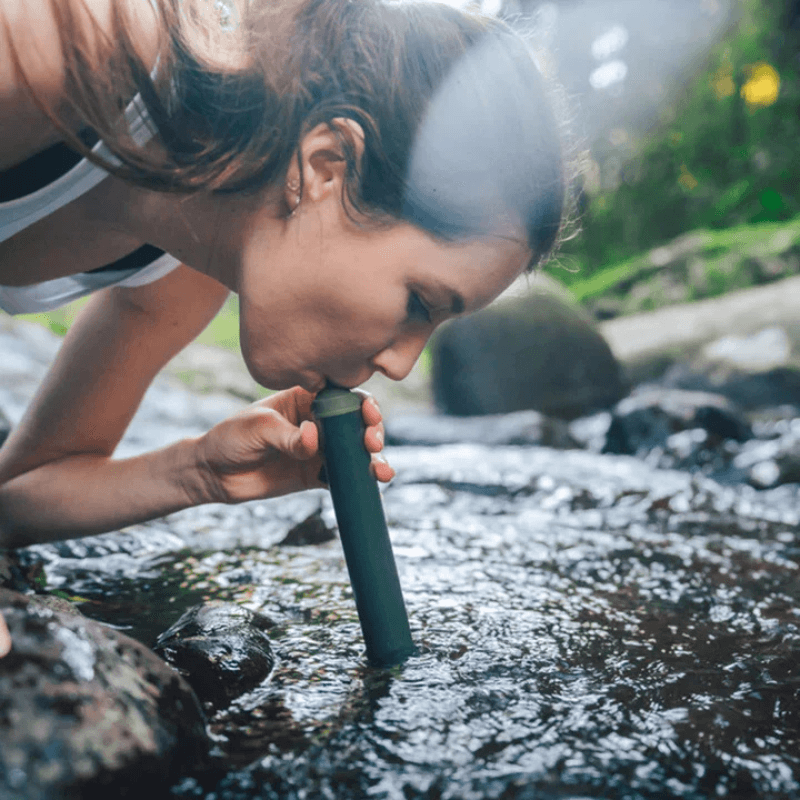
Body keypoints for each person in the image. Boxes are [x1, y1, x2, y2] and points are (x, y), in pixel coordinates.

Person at [0, 0, 568, 656]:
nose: (404, 365)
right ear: (327, 166)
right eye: (419, 302)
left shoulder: (188, 262)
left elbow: (15, 497)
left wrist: (196, 472)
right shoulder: (74, 40)